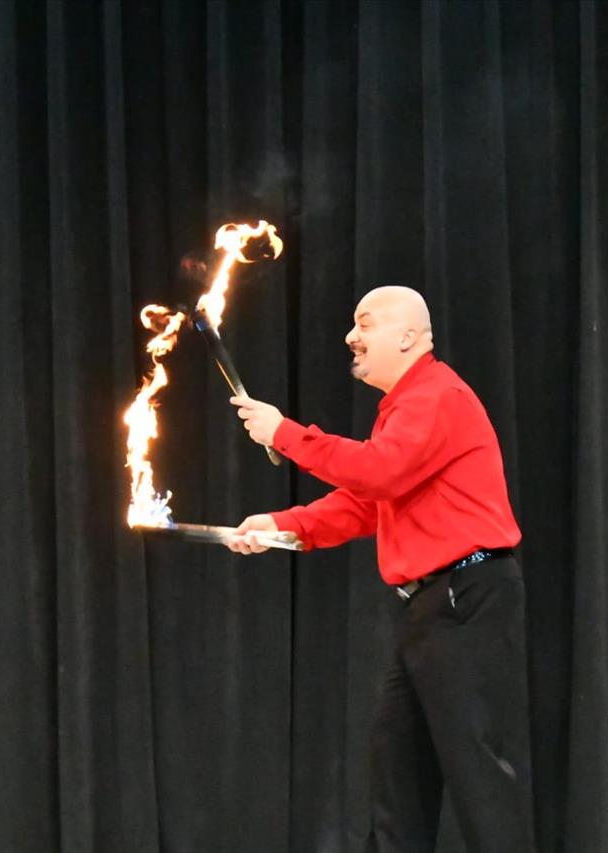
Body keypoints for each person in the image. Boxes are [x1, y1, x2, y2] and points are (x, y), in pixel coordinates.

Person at [228, 286, 534, 853]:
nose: (351, 336)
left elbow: (380, 474)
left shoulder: (437, 395)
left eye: (364, 324)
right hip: (432, 608)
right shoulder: (405, 408)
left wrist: (285, 434)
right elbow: (368, 501)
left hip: (463, 598)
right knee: (399, 776)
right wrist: (280, 524)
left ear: (409, 337)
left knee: (478, 777)